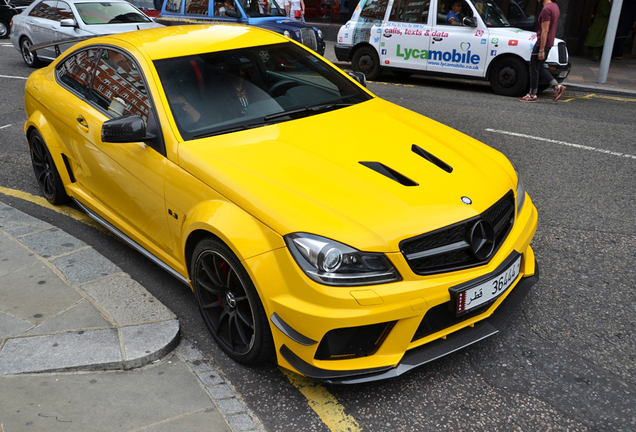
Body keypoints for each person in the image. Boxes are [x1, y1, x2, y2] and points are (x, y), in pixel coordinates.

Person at [519, 0, 565, 102]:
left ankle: (532, 94)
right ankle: (557, 87)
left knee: (534, 69)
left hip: (542, 43)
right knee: (540, 67)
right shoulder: (555, 7)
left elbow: (545, 30)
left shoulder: (547, 9)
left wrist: (541, 49)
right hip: (548, 42)